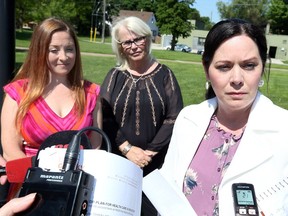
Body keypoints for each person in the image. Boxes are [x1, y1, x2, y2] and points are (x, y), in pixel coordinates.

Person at [155, 19, 288, 215]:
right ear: (206, 69)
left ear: (262, 67)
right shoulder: (188, 119)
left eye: (249, 65)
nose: (236, 79)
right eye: (224, 67)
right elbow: (167, 190)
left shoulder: (283, 129)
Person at [1, 17, 102, 198]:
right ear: (39, 51)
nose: (64, 57)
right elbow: (11, 152)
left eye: (69, 49)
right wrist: (49, 180)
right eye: (54, 50)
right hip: (29, 190)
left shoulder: (91, 93)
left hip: (76, 191)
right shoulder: (18, 93)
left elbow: (95, 151)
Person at [100, 16, 183, 215]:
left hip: (157, 166)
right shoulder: (114, 76)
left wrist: (149, 153)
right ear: (120, 47)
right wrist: (127, 149)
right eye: (127, 42)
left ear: (148, 39)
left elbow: (175, 116)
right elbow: (104, 115)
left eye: (139, 39)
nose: (135, 46)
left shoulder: (165, 74)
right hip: (120, 162)